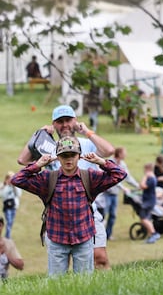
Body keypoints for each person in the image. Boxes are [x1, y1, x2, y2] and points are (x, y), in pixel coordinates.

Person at [17, 104, 116, 268]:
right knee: (61, 262)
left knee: (100, 257)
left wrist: (87, 131)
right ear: (53, 124)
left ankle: (97, 290)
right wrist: (38, 134)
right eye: (59, 121)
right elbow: (22, 160)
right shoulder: (47, 146)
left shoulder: (86, 142)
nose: (64, 125)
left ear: (75, 121)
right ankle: (67, 291)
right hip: (58, 213)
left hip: (87, 211)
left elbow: (109, 151)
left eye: (68, 120)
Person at [11, 136, 125, 276]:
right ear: (58, 157)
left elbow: (119, 174)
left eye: (72, 155)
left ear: (79, 156)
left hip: (83, 238)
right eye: (64, 155)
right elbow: (16, 179)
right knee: (56, 285)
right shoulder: (47, 178)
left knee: (84, 283)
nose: (68, 159)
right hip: (57, 240)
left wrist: (100, 161)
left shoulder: (90, 177)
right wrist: (38, 165)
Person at [97, 147, 139, 241]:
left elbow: (127, 176)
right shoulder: (110, 162)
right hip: (107, 193)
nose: (126, 154)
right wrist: (123, 188)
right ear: (119, 154)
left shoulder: (122, 164)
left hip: (115, 194)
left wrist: (137, 185)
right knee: (103, 215)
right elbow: (113, 178)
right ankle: (100, 236)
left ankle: (108, 234)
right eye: (124, 152)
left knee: (113, 215)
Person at [137, 163, 161, 243]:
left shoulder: (151, 178)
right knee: (147, 218)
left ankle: (154, 234)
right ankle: (151, 236)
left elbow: (142, 186)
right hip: (149, 200)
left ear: (147, 169)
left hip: (149, 201)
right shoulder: (152, 178)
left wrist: (145, 176)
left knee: (143, 218)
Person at [2, 172, 21, 239]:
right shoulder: (3, 186)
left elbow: (18, 195)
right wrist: (7, 186)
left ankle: (7, 236)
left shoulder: (17, 186)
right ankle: (8, 237)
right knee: (9, 221)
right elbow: (3, 195)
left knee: (11, 222)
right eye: (10, 178)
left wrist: (14, 187)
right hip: (7, 207)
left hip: (14, 206)